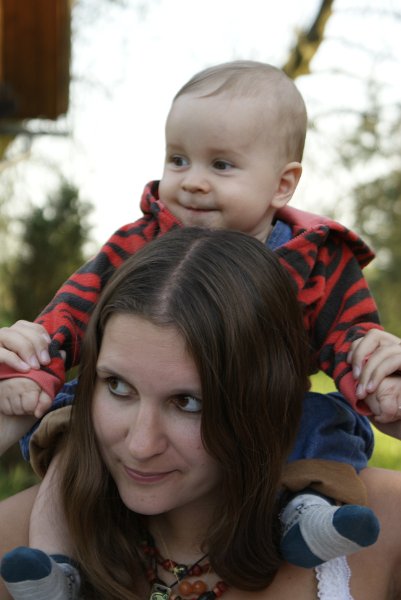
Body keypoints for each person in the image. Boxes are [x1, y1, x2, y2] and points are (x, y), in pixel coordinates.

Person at [0, 60, 395, 568]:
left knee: (327, 423)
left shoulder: (315, 256)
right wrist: (33, 365)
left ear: (282, 184)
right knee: (69, 419)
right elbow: (73, 310)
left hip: (278, 416)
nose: (193, 183)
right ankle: (55, 559)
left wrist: (377, 380)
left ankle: (308, 511)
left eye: (221, 166)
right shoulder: (139, 243)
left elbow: (351, 333)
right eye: (178, 160)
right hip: (78, 486)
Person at [1, 230, 401, 600]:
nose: (141, 445)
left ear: (267, 395)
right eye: (118, 386)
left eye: (189, 402)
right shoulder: (18, 539)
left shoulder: (383, 524)